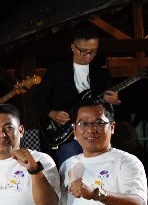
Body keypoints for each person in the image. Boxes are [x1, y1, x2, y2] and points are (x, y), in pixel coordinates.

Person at [32, 25, 119, 165]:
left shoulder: (102, 74)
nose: (89, 56)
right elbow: (38, 97)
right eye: (84, 51)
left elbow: (107, 108)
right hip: (67, 134)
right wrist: (52, 113)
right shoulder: (57, 69)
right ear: (73, 47)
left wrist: (115, 102)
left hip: (95, 132)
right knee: (72, 169)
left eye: (93, 51)